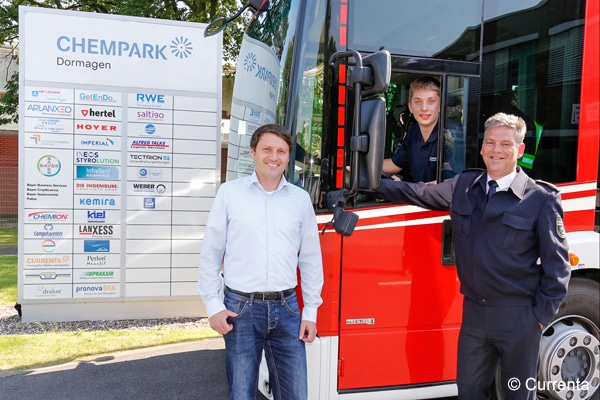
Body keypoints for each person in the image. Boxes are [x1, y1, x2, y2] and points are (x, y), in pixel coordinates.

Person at [374, 113, 570, 399]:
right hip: (475, 315)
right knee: (469, 391)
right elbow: (418, 193)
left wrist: (538, 319)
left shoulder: (541, 199)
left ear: (520, 150)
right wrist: (369, 182)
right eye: (490, 143)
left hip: (519, 317)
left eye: (505, 144)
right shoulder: (463, 186)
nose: (496, 150)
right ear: (481, 148)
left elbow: (558, 269)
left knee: (517, 394)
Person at [197, 123, 324, 400]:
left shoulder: (300, 200)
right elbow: (211, 253)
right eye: (267, 149)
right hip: (240, 309)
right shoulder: (230, 194)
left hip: (288, 309)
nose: (274, 157)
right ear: (252, 152)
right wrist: (213, 306)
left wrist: (311, 312)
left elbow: (312, 260)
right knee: (242, 394)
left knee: (295, 395)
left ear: (288, 157)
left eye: (281, 151)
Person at [383, 76, 442, 183]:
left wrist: (408, 188)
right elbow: (394, 164)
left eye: (431, 101)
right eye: (418, 102)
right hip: (417, 198)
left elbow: (451, 182)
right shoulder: (413, 133)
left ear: (440, 106)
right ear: (410, 107)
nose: (424, 108)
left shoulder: (448, 136)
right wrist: (361, 166)